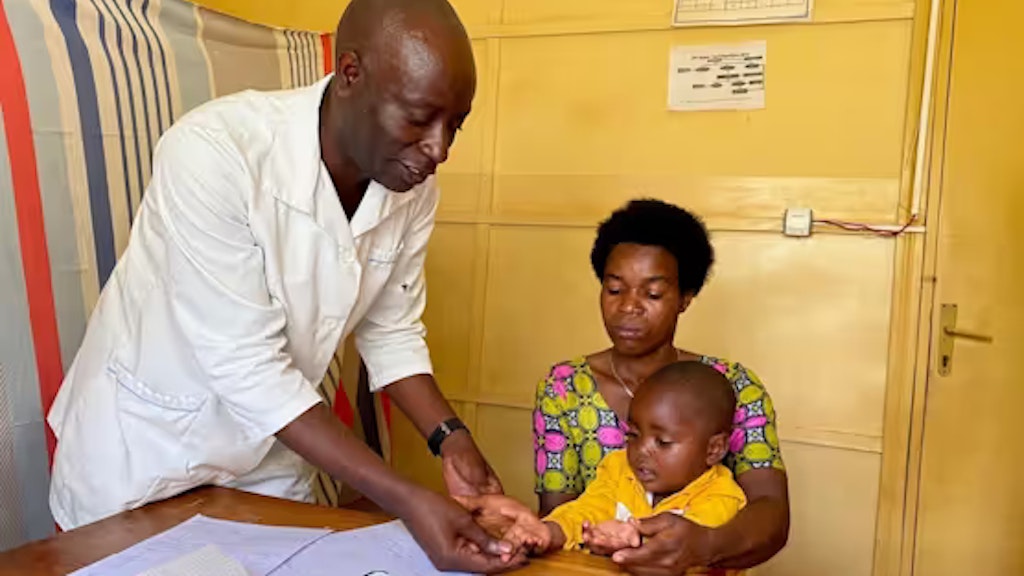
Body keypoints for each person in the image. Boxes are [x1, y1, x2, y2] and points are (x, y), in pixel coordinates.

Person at [47, 0, 523, 572]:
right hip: (146, 453)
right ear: (350, 73)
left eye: (456, 124)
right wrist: (406, 499)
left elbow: (391, 329)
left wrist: (451, 440)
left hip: (267, 455)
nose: (439, 149)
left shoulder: (410, 185)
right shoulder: (215, 152)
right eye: (420, 118)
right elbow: (247, 366)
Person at [532, 199, 790, 573]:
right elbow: (562, 516)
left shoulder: (735, 387)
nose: (628, 307)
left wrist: (704, 545)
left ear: (685, 298)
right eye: (614, 289)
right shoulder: (564, 388)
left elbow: (771, 513)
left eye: (652, 294)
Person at [514, 361, 747, 576]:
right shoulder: (619, 468)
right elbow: (586, 510)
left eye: (663, 442)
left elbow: (685, 545)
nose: (641, 450)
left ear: (713, 449)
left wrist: (634, 540)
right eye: (633, 435)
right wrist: (549, 531)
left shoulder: (723, 497)